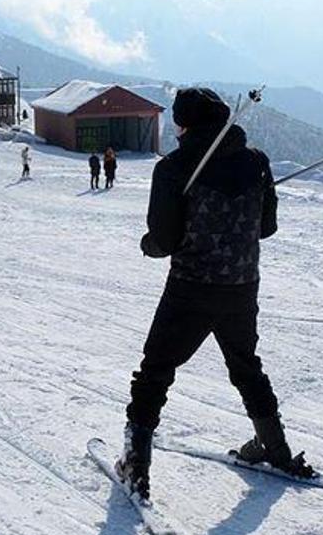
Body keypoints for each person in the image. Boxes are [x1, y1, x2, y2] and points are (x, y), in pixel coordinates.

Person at [115, 88, 309, 504]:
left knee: (157, 369)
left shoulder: (175, 166)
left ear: (184, 124)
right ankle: (275, 448)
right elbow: (266, 228)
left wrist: (149, 244)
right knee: (245, 365)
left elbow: (164, 240)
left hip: (191, 287)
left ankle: (136, 463)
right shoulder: (256, 162)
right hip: (241, 285)